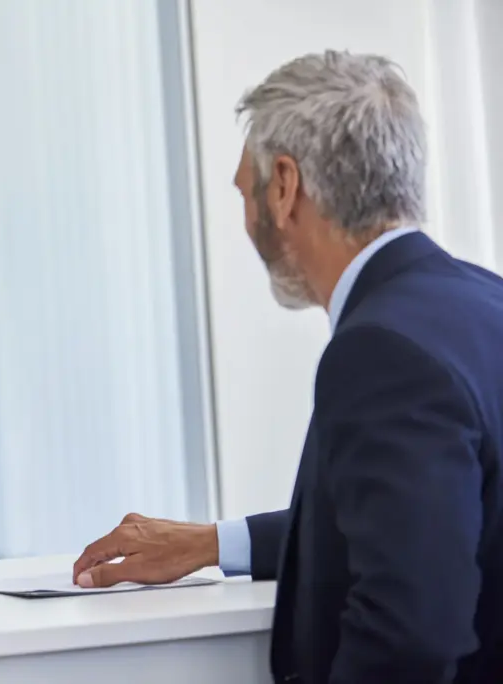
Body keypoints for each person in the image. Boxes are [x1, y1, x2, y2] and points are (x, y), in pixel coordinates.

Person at [73, 51, 503, 683]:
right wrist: (215, 543)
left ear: (283, 186)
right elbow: (434, 524)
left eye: (245, 190)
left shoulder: (381, 350)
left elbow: (409, 636)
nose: (247, 214)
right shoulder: (485, 299)